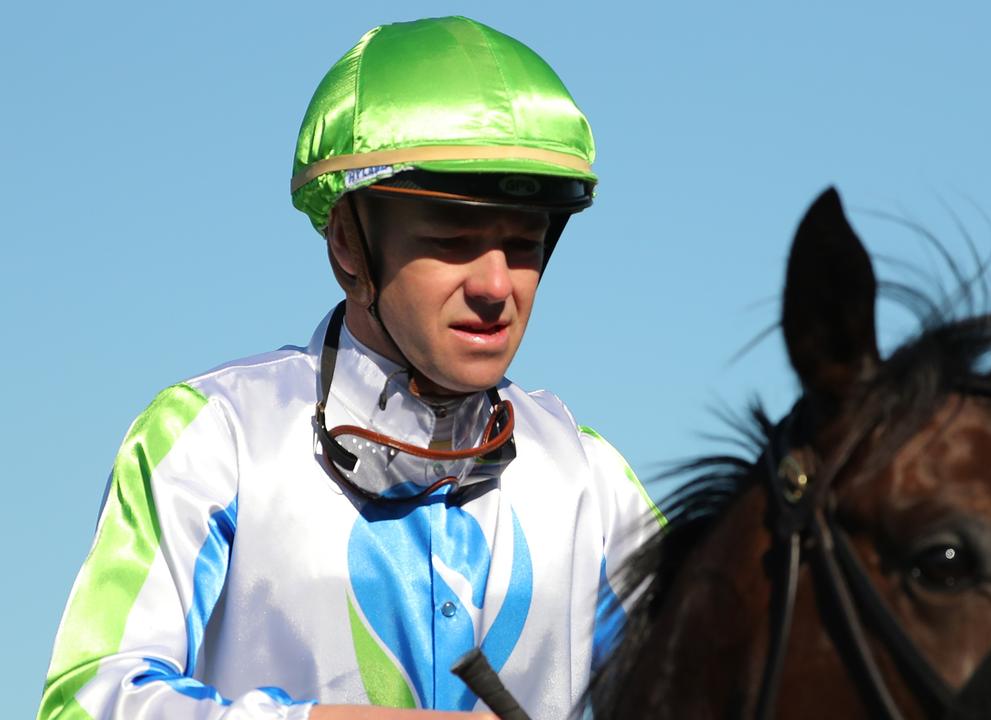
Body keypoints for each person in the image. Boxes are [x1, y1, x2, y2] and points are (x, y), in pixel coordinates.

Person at [39, 16, 663, 720]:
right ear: (348, 246)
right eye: (454, 240)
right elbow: (86, 702)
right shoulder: (212, 439)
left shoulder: (594, 482)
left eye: (523, 244)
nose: (497, 285)